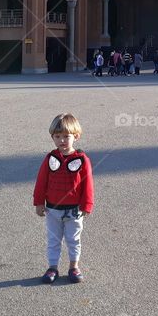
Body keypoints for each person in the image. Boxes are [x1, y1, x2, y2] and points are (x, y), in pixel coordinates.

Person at [33, 113, 94, 284]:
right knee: (53, 240)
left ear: (76, 136)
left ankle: (74, 267)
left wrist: (86, 205)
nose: (62, 141)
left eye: (66, 136)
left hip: (74, 210)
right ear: (52, 137)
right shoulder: (50, 158)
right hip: (52, 209)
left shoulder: (82, 159)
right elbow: (41, 181)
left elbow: (88, 184)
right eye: (57, 136)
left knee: (73, 239)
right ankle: (52, 267)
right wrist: (39, 202)